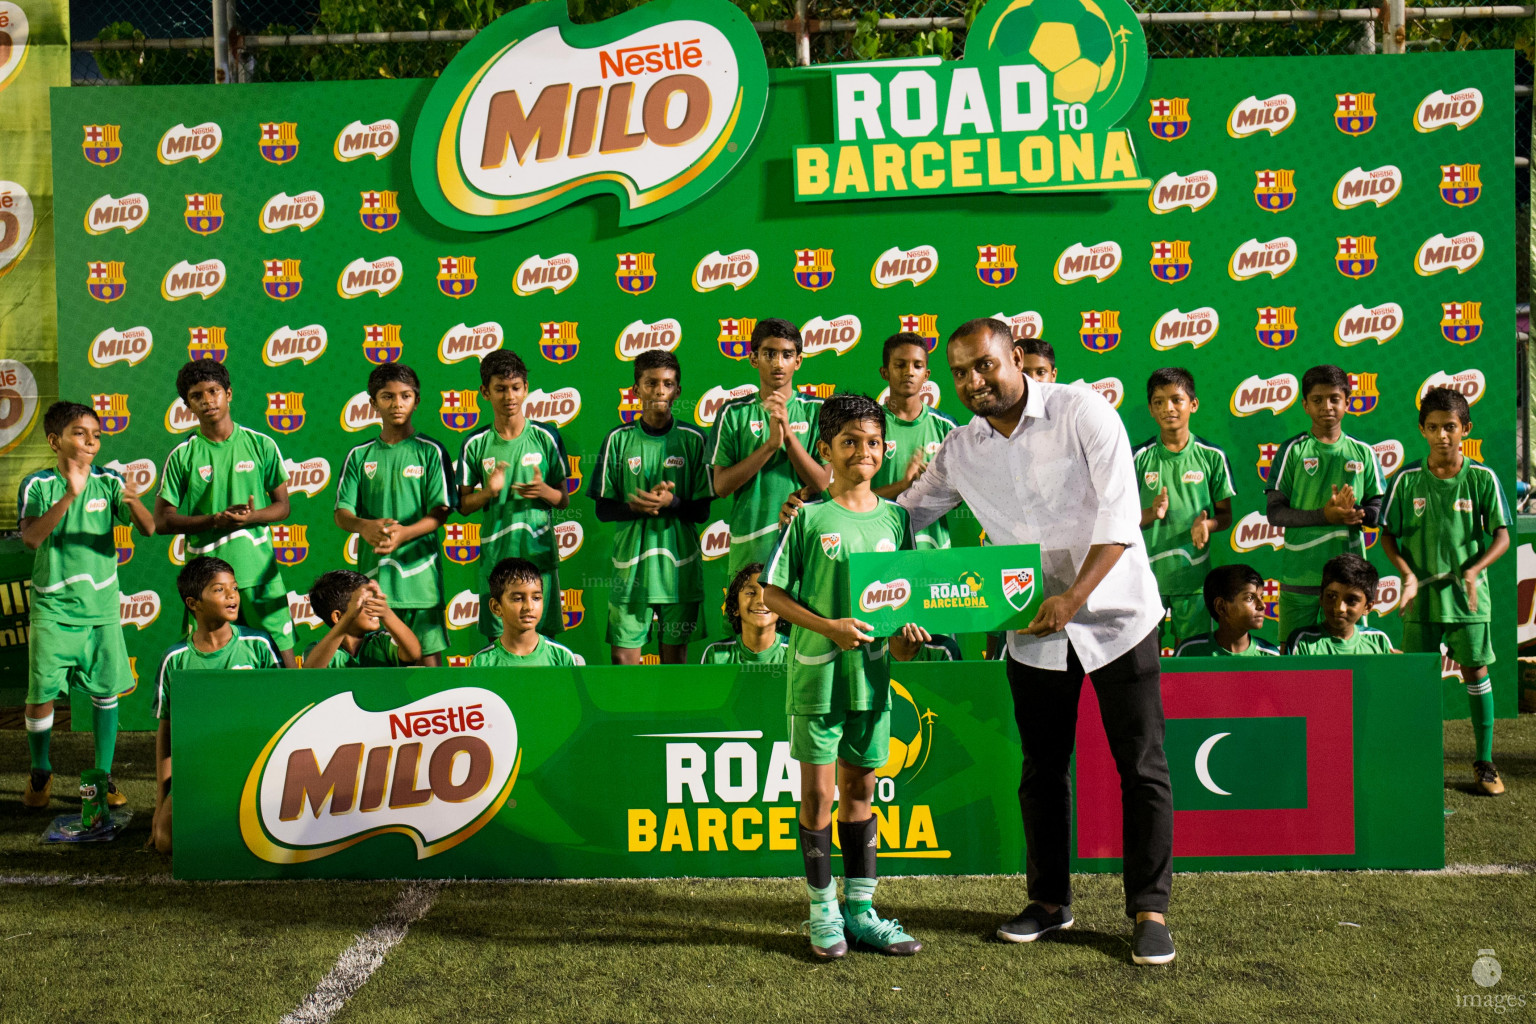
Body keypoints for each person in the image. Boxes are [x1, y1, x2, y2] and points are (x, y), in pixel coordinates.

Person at [789, 318, 1175, 964]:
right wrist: (833, 510)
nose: (973, 381)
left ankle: (1149, 910)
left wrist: (1071, 599)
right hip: (1031, 630)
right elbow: (904, 512)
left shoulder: (1084, 412)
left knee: (1141, 767)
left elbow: (1120, 517)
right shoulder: (963, 449)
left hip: (1114, 616)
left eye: (985, 366)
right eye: (961, 373)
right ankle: (1050, 903)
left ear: (1016, 355)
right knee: (1042, 772)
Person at [762, 394, 929, 960]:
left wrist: (906, 642)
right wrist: (829, 627)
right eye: (850, 441)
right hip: (816, 680)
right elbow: (772, 595)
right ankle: (822, 911)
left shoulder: (898, 519)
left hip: (872, 681)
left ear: (886, 449)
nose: (864, 451)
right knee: (818, 796)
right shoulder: (807, 516)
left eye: (874, 442)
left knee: (861, 791)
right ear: (826, 450)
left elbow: (904, 608)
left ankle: (861, 910)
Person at [20, 401, 155, 810]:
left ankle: (102, 775)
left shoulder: (109, 480)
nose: (91, 440)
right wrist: (68, 498)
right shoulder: (38, 485)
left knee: (106, 692)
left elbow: (148, 528)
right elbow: (31, 538)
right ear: (54, 441)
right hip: (54, 609)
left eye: (96, 434)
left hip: (100, 610)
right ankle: (41, 770)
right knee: (41, 693)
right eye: (80, 433)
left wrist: (132, 500)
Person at [1381, 387, 1512, 795]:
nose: (1442, 435)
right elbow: (1387, 536)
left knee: (1475, 672)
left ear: (1465, 429)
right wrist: (1407, 574)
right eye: (1434, 427)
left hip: (1468, 600)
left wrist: (1475, 569)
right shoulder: (1405, 480)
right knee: (1421, 680)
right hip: (1421, 600)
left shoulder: (1481, 477)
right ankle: (1418, 761)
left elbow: (1503, 536)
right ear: (1421, 429)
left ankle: (1485, 762)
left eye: (1450, 427)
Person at [155, 360, 297, 666]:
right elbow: (162, 521)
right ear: (187, 405)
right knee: (207, 667)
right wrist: (214, 520)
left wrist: (251, 518)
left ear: (228, 394)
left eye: (213, 391)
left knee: (282, 664)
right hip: (207, 586)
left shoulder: (261, 445)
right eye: (197, 396)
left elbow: (282, 507)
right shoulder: (183, 455)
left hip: (259, 574)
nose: (207, 400)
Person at [151, 556, 281, 853]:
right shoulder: (175, 659)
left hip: (255, 764)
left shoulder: (258, 644)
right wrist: (161, 802)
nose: (232, 595)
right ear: (193, 602)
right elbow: (167, 733)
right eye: (219, 590)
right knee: (166, 842)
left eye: (234, 588)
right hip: (199, 770)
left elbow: (279, 710)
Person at [592, 350, 713, 665]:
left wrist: (672, 502)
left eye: (668, 384)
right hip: (631, 572)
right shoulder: (617, 440)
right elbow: (603, 510)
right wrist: (637, 507)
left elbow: (702, 513)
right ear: (636, 390)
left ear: (678, 391)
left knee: (674, 668)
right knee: (623, 663)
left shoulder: (695, 439)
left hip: (678, 572)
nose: (660, 390)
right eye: (651, 383)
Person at [334, 362, 454, 666]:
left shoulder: (431, 451)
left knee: (431, 676)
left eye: (405, 396)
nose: (397, 404)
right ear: (373, 403)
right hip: (375, 587)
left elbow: (440, 511)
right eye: (387, 397)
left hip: (421, 584)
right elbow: (342, 513)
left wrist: (405, 533)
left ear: (417, 400)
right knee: (379, 675)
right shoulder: (359, 455)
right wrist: (363, 525)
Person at [458, 349, 571, 641]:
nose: (509, 397)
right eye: (500, 389)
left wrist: (545, 491)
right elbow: (463, 505)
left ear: (526, 389)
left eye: (516, 388)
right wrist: (488, 493)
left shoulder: (547, 437)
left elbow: (564, 499)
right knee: (499, 643)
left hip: (539, 556)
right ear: (485, 392)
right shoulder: (474, 443)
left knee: (543, 641)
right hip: (496, 559)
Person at [1267, 365, 1385, 643]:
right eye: (1317, 400)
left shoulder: (1363, 452)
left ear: (1348, 401)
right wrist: (1326, 515)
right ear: (1305, 405)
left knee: (1352, 658)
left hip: (1350, 578)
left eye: (1334, 398)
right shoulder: (1292, 450)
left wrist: (1358, 514)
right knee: (1292, 658)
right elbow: (1275, 512)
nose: (1327, 406)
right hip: (1301, 573)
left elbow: (1378, 509)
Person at [710, 318, 830, 574]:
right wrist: (769, 446)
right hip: (749, 547)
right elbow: (721, 486)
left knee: (800, 614)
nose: (778, 363)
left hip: (801, 542)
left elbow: (822, 482)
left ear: (798, 361)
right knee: (746, 612)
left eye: (787, 355)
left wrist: (787, 437)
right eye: (769, 354)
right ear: (754, 359)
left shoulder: (818, 411)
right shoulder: (732, 414)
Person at [1133, 368, 1235, 651]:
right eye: (1159, 402)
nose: (1168, 408)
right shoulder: (1137, 458)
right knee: (1144, 657)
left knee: (1189, 655)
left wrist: (1208, 526)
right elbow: (1120, 520)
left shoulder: (1212, 456)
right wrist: (1151, 513)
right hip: (1145, 578)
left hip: (1193, 579)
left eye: (1177, 400)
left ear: (1193, 404)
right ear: (1151, 410)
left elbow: (1225, 516)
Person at [873, 332, 959, 550]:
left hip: (932, 545)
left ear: (926, 374)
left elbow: (962, 494)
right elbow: (853, 498)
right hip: (879, 543)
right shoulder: (867, 427)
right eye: (900, 365)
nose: (909, 372)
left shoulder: (947, 428)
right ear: (885, 372)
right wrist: (904, 486)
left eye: (917, 366)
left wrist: (935, 484)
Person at [470, 558, 582, 667]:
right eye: (518, 599)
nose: (529, 607)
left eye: (536, 598)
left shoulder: (562, 657)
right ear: (496, 607)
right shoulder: (482, 662)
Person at [303, 569, 422, 668]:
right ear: (338, 617)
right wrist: (346, 621)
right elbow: (311, 671)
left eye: (375, 600)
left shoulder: (381, 641)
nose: (374, 607)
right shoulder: (317, 650)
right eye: (365, 603)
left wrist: (388, 614)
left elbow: (413, 654)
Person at [1285, 553, 1396, 654]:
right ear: (1321, 598)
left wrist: (1402, 669)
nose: (1340, 608)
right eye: (1331, 596)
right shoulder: (1302, 641)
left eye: (1351, 600)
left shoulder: (1378, 641)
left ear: (1367, 607)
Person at [1174, 564, 1281, 657]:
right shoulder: (1189, 652)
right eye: (1250, 598)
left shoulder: (1270, 655)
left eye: (1261, 597)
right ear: (1221, 607)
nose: (1262, 605)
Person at [699, 562, 788, 666]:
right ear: (736, 607)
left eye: (769, 594)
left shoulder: (795, 653)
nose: (761, 600)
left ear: (782, 608)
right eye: (750, 593)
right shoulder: (716, 654)